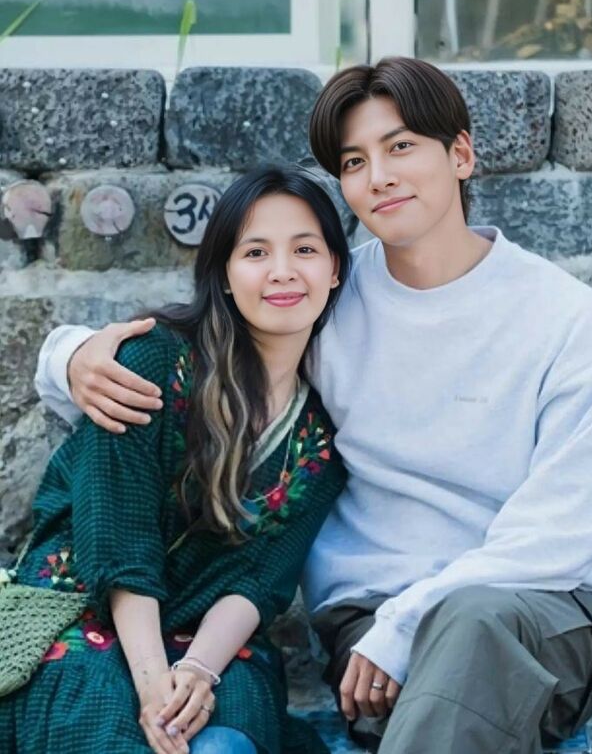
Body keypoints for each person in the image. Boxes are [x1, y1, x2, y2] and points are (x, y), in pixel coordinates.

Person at [34, 58, 592, 754]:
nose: (378, 176)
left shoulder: (564, 317)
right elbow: (202, 344)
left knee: (472, 623)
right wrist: (69, 356)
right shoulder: (329, 300)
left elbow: (560, 530)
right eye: (354, 161)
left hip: (541, 608)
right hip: (370, 628)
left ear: (461, 155)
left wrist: (409, 622)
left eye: (401, 146)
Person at [0, 165, 350, 754]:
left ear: (335, 268)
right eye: (256, 252)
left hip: (213, 636)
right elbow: (118, 541)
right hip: (85, 608)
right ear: (225, 274)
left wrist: (199, 672)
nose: (283, 271)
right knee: (112, 734)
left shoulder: (321, 434)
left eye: (305, 249)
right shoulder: (151, 363)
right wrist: (153, 687)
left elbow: (258, 580)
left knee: (226, 742)